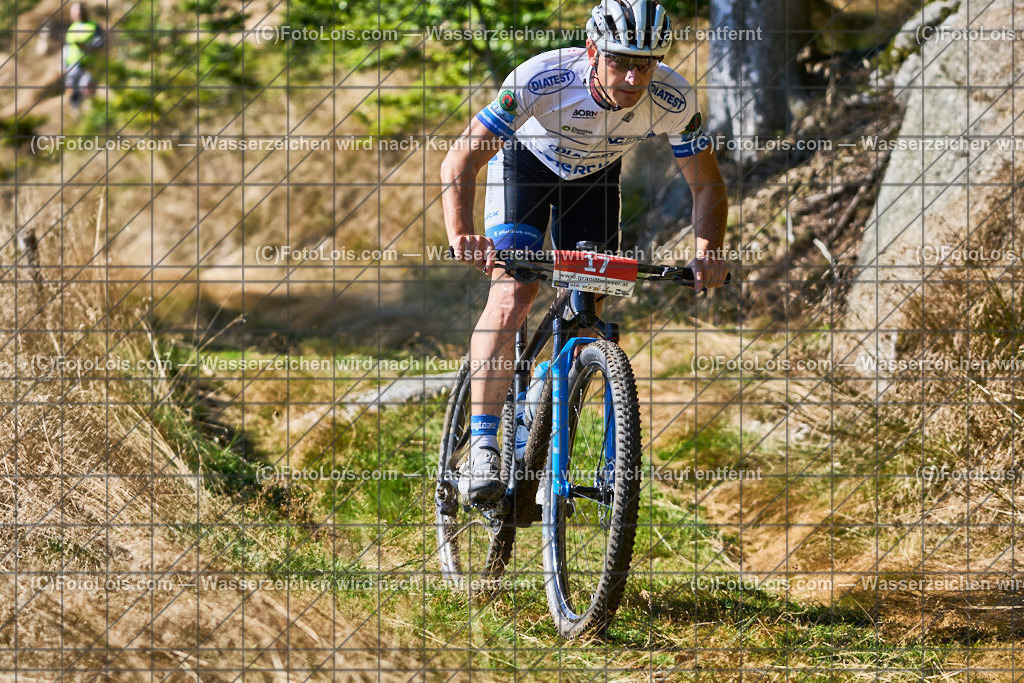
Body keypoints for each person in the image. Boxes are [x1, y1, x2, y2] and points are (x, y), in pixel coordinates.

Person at [440, 0, 730, 502]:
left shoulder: (673, 98)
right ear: (593, 50)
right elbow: (459, 160)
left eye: (647, 63)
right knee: (514, 293)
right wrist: (462, 232)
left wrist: (709, 250)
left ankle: (544, 397)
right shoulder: (543, 77)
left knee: (589, 309)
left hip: (594, 181)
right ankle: (484, 442)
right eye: (620, 60)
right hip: (524, 170)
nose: (634, 78)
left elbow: (708, 185)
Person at [64, 3, 102, 111]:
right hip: (72, 67)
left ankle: (92, 116)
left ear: (85, 11)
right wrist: (63, 64)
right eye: (75, 11)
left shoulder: (94, 26)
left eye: (79, 10)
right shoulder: (71, 28)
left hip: (88, 66)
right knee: (73, 96)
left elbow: (99, 44)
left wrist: (86, 47)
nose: (78, 13)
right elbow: (67, 48)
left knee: (88, 91)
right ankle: (76, 118)